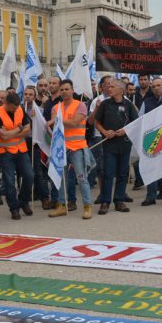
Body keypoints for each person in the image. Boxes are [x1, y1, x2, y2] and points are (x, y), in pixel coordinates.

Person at [47, 80, 93, 219]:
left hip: (78, 147)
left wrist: (57, 121)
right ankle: (61, 205)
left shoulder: (81, 106)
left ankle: (87, 206)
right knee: (61, 178)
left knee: (81, 178)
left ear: (73, 90)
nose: (64, 92)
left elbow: (74, 123)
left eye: (67, 89)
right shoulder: (55, 108)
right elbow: (54, 128)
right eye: (62, 90)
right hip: (62, 148)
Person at [95, 79, 138, 214]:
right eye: (108, 86)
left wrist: (126, 130)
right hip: (109, 144)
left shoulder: (129, 105)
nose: (109, 88)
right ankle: (105, 201)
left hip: (124, 144)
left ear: (121, 89)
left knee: (122, 173)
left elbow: (135, 123)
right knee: (108, 173)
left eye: (112, 86)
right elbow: (97, 122)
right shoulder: (104, 104)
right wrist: (104, 132)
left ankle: (119, 200)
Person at [0, 91, 34, 220]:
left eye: (16, 108)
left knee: (29, 176)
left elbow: (29, 128)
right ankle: (14, 208)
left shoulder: (20, 109)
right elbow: (3, 136)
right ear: (6, 103)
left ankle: (23, 201)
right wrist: (19, 129)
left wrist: (13, 132)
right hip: (5, 152)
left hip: (21, 150)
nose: (15, 110)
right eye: (12, 108)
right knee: (9, 182)